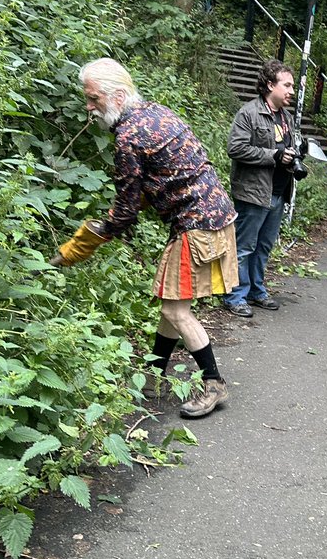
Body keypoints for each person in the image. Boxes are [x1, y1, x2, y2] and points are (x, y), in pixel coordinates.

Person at [51, 58, 237, 419]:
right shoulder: (155, 112)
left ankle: (214, 383)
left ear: (118, 95)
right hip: (213, 216)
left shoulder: (128, 136)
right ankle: (153, 375)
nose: (89, 107)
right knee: (170, 302)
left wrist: (80, 246)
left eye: (93, 99)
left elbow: (125, 212)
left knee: (174, 310)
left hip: (195, 224)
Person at [225, 59, 299, 318]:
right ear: (270, 85)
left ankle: (256, 290)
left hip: (278, 191)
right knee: (244, 246)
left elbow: (284, 150)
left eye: (292, 86)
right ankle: (235, 295)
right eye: (287, 85)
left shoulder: (286, 117)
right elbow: (235, 148)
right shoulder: (249, 113)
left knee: (264, 246)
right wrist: (274, 155)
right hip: (254, 192)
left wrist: (292, 159)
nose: (292, 91)